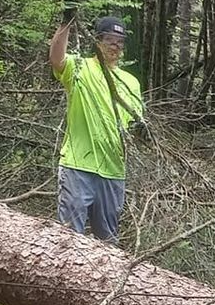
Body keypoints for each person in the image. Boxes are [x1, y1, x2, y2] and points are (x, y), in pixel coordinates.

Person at [48, 14, 146, 242]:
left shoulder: (130, 82)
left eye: (120, 42)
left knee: (108, 242)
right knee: (68, 237)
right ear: (98, 40)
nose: (116, 46)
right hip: (78, 166)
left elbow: (134, 126)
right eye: (111, 39)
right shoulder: (80, 67)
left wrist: (142, 133)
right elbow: (56, 59)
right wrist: (66, 23)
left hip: (113, 170)